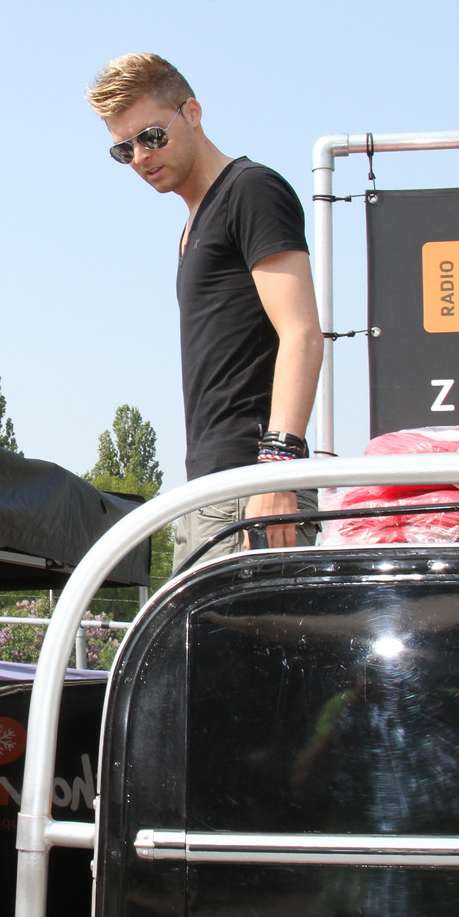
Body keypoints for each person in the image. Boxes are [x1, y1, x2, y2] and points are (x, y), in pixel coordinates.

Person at [86, 53, 323, 564]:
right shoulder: (196, 219)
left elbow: (302, 332)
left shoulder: (251, 190)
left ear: (192, 112)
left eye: (151, 136)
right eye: (124, 149)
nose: (140, 157)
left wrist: (277, 468)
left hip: (253, 482)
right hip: (212, 488)